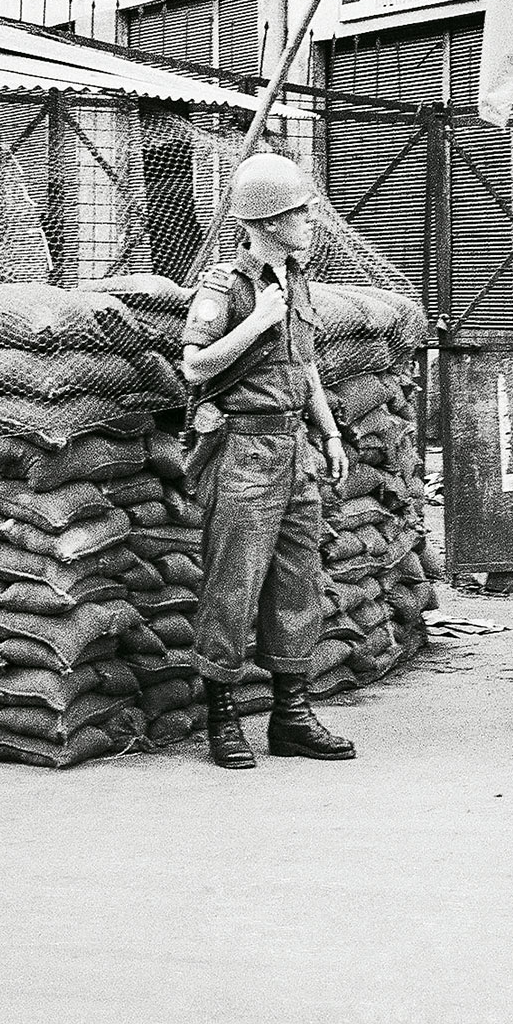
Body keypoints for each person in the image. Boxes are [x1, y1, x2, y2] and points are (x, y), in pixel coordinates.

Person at [181, 152, 354, 771]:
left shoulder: (296, 281)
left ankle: (292, 715)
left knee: (296, 580)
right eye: (298, 212)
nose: (310, 219)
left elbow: (303, 366)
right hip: (245, 449)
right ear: (264, 220)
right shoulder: (224, 288)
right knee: (234, 582)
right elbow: (194, 365)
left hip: (295, 448)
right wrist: (255, 322)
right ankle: (222, 718)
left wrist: (329, 434)